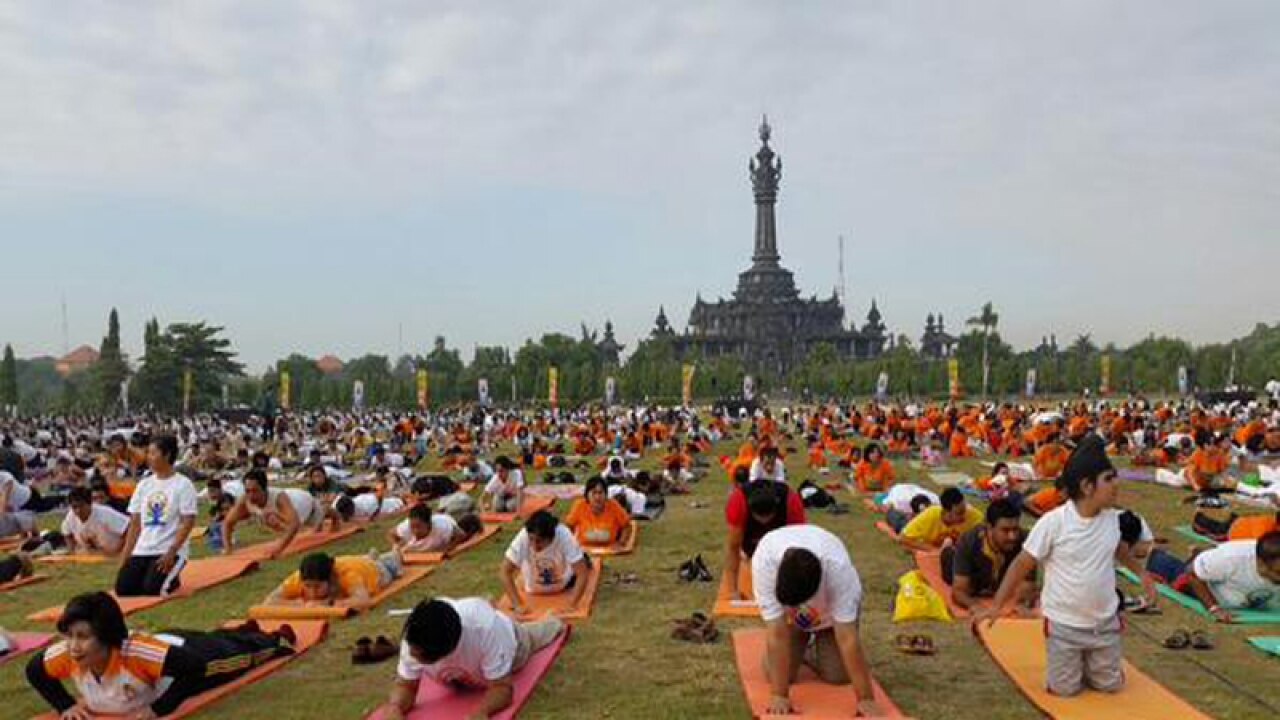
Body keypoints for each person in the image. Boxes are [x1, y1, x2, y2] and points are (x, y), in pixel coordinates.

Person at [979, 435, 1156, 698]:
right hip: (1064, 627)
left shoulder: (1112, 520)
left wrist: (1143, 575)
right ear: (1086, 486)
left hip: (1104, 625)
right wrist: (997, 605)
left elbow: (1119, 550)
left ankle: (1096, 665)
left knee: (1109, 685)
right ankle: (1074, 664)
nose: (1116, 484)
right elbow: (1021, 564)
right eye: (1109, 479)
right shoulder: (1054, 523)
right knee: (1064, 690)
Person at [25, 592, 292, 719]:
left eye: (83, 637)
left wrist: (158, 709)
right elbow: (34, 671)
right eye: (68, 635)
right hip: (163, 646)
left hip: (183, 656)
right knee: (218, 639)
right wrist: (64, 706)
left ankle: (272, 637)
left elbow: (195, 668)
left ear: (106, 637)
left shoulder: (135, 655)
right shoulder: (68, 654)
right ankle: (239, 630)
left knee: (240, 655)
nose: (73, 646)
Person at [751, 524, 882, 717]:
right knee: (777, 675)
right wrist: (780, 695)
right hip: (794, 622)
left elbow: (847, 637)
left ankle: (816, 643)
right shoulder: (765, 561)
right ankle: (803, 639)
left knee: (838, 675)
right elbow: (777, 632)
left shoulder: (838, 570)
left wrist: (866, 699)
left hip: (831, 619)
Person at [380, 597, 564, 720]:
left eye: (419, 655)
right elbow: (406, 685)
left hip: (514, 644)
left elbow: (502, 689)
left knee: (542, 631)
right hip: (465, 667)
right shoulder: (416, 635)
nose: (411, 655)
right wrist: (395, 708)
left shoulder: (485, 629)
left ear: (447, 652)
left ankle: (552, 619)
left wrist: (480, 713)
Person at [115, 435, 198, 597]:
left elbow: (188, 521)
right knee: (124, 589)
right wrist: (125, 557)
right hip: (143, 549)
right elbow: (135, 524)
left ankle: (172, 578)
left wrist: (172, 552)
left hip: (167, 549)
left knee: (152, 589)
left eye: (153, 453)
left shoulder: (183, 484)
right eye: (148, 453)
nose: (149, 458)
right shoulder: (144, 485)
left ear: (166, 455)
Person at [1146, 531, 1280, 623]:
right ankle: (1159, 555)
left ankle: (1202, 555)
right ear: (1260, 563)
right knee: (1178, 576)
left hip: (1232, 584)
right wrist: (1213, 608)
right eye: (1278, 572)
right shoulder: (1232, 558)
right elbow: (1193, 575)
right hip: (1197, 579)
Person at [944, 498, 1037, 613]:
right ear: (989, 527)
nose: (1012, 536)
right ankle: (946, 547)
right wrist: (974, 606)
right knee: (948, 560)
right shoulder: (968, 542)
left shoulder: (1026, 541)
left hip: (996, 579)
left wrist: (1023, 604)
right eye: (1005, 530)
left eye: (1015, 529)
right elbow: (959, 591)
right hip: (960, 565)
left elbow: (1028, 584)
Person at [722, 479, 807, 601]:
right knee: (747, 554)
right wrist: (732, 591)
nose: (764, 521)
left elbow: (800, 545)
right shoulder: (738, 504)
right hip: (751, 537)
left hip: (782, 533)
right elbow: (733, 548)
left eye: (768, 516)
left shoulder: (791, 502)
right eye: (760, 517)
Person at [222, 469, 334, 559]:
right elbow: (227, 523)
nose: (251, 495)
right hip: (289, 499)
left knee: (319, 516)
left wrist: (278, 549)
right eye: (247, 491)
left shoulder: (279, 497)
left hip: (303, 502)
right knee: (275, 519)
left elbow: (295, 525)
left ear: (264, 488)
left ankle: (334, 514)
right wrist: (228, 548)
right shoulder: (245, 500)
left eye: (255, 491)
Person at [500, 511, 589, 617]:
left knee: (582, 561)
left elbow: (582, 572)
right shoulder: (523, 536)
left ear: (551, 537)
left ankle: (584, 557)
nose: (534, 545)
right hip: (532, 588)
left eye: (539, 541)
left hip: (564, 583)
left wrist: (572, 604)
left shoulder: (564, 535)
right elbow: (504, 571)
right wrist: (517, 604)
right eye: (531, 540)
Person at [265, 550, 403, 611]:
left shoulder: (347, 575)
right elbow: (269, 601)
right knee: (367, 559)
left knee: (393, 564)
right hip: (354, 561)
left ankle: (394, 552)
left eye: (318, 587)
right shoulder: (299, 577)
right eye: (308, 586)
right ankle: (371, 556)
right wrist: (298, 604)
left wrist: (329, 603)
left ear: (330, 579)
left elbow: (364, 601)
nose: (312, 593)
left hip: (377, 571)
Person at [898, 487, 982, 553]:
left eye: (965, 510)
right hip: (913, 526)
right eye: (959, 513)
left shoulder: (973, 516)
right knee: (898, 522)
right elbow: (903, 538)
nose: (964, 515)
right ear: (946, 512)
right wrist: (934, 550)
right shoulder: (931, 514)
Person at [60, 486, 130, 557]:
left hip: (118, 552)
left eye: (81, 506)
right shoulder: (71, 516)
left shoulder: (105, 513)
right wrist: (72, 551)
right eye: (74, 507)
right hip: (97, 555)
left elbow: (129, 527)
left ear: (90, 504)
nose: (78, 511)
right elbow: (66, 532)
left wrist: (124, 551)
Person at [563, 477, 632, 549]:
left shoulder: (614, 505)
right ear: (587, 494)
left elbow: (626, 526)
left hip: (610, 548)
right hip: (584, 548)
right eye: (594, 493)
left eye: (600, 493)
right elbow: (569, 526)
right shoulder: (579, 505)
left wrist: (621, 543)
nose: (597, 497)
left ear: (606, 494)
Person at [388, 503, 462, 554]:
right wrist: (395, 546)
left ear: (428, 524)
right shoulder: (406, 527)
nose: (415, 531)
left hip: (448, 519)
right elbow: (391, 533)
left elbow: (460, 534)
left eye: (419, 527)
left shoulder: (442, 527)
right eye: (412, 527)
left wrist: (448, 548)